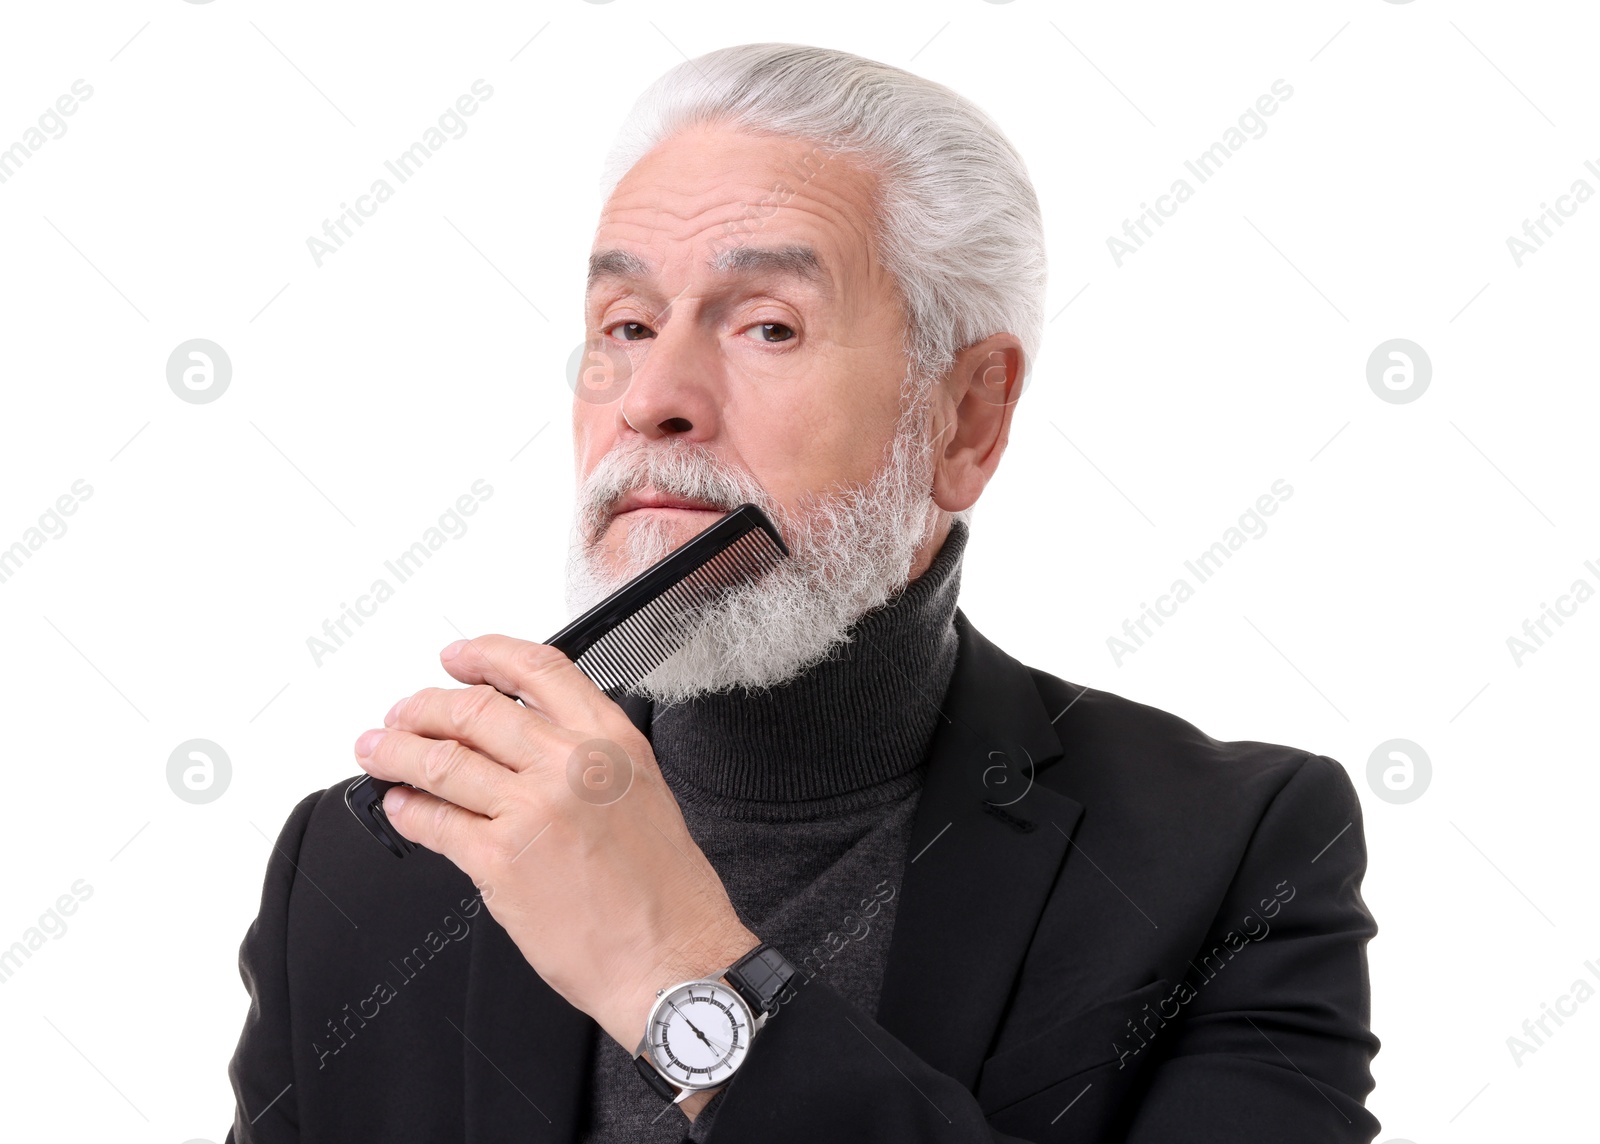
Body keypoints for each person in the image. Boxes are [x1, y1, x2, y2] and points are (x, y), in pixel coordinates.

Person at [225, 42, 1379, 1143]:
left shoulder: (1233, 854)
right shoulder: (364, 865)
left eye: (767, 324)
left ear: (966, 419)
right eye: (624, 326)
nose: (652, 397)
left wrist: (676, 974)